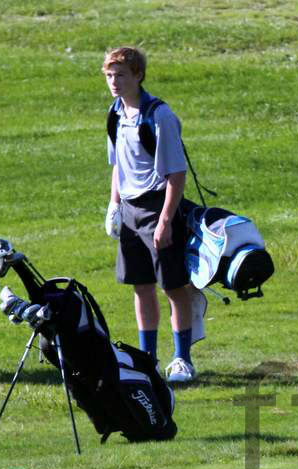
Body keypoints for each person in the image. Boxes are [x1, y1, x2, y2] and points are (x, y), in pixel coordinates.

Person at [102, 46, 204, 384]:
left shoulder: (159, 116)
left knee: (173, 287)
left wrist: (165, 221)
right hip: (130, 210)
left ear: (138, 76)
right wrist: (114, 205)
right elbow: (118, 165)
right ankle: (147, 360)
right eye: (109, 75)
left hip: (158, 207)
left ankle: (183, 359)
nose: (114, 82)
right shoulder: (116, 113)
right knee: (141, 286)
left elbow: (176, 174)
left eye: (121, 75)